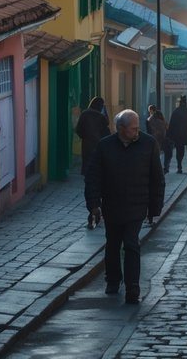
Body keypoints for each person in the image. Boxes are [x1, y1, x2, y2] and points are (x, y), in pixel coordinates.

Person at [84, 109, 165, 304]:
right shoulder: (105, 146)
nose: (137, 131)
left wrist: (155, 208)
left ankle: (132, 288)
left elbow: (157, 179)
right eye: (133, 128)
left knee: (131, 244)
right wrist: (94, 205)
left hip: (137, 206)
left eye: (138, 128)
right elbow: (93, 177)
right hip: (112, 205)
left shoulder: (148, 144)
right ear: (121, 129)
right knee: (112, 244)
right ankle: (112, 279)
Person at [74, 97, 112, 229]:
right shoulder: (101, 118)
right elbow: (108, 135)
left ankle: (92, 210)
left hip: (88, 153)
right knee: (101, 183)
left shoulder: (84, 114)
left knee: (90, 183)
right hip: (101, 154)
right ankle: (99, 208)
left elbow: (78, 130)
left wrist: (86, 138)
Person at [167, 96, 187, 174]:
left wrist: (170, 136)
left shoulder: (175, 112)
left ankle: (179, 167)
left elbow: (171, 126)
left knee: (179, 152)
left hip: (179, 136)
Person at [146, 104, 171, 173]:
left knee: (156, 154)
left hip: (154, 139)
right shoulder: (162, 119)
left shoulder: (150, 120)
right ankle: (165, 167)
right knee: (166, 154)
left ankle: (157, 168)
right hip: (162, 139)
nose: (149, 112)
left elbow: (149, 131)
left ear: (151, 110)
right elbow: (167, 128)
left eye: (149, 111)